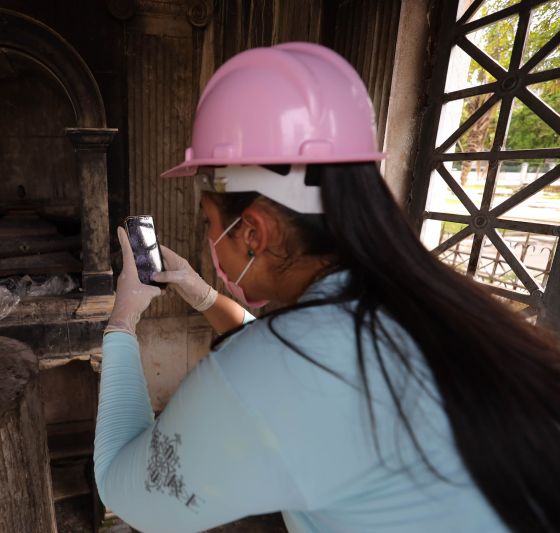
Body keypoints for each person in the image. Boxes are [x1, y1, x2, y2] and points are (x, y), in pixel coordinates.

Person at [93, 42, 560, 533]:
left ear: (253, 232)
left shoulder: (279, 373)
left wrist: (122, 321)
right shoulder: (424, 299)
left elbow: (123, 487)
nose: (209, 238)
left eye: (208, 221)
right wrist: (196, 289)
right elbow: (304, 354)